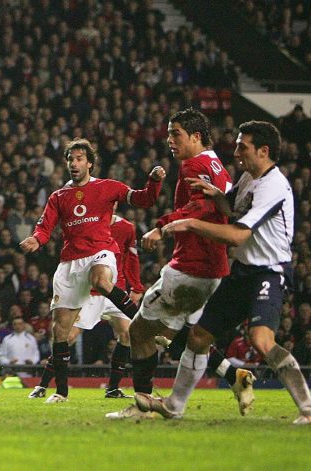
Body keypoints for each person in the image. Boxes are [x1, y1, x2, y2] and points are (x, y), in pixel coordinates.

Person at [136, 121, 311, 425]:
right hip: (242, 272)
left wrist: (189, 223)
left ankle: (307, 407)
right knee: (198, 336)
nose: (237, 151)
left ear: (264, 150)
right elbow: (231, 209)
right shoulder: (248, 177)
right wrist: (216, 193)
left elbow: (237, 235)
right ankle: (174, 405)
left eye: (244, 146)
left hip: (269, 273)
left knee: (261, 339)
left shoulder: (273, 186)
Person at [108, 108, 237, 420]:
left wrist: (162, 225)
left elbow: (201, 206)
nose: (169, 140)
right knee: (186, 338)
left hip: (190, 267)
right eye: (168, 134)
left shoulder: (196, 164)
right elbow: (222, 204)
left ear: (195, 136)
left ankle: (146, 404)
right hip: (211, 267)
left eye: (175, 134)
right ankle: (232, 376)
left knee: (139, 331)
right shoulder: (216, 164)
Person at [20, 138, 165, 403]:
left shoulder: (108, 187)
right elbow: (45, 227)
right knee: (60, 330)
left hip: (100, 253)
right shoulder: (58, 197)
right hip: (70, 264)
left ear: (89, 163)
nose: (74, 164)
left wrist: (154, 181)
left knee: (102, 281)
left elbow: (145, 199)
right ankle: (61, 392)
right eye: (70, 160)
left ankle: (146, 324)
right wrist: (36, 240)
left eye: (78, 159)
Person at [30, 211, 142, 400]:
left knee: (127, 334)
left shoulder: (127, 228)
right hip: (89, 292)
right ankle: (42, 385)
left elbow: (131, 258)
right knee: (68, 336)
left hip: (116, 289)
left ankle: (113, 388)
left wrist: (137, 286)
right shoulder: (87, 223)